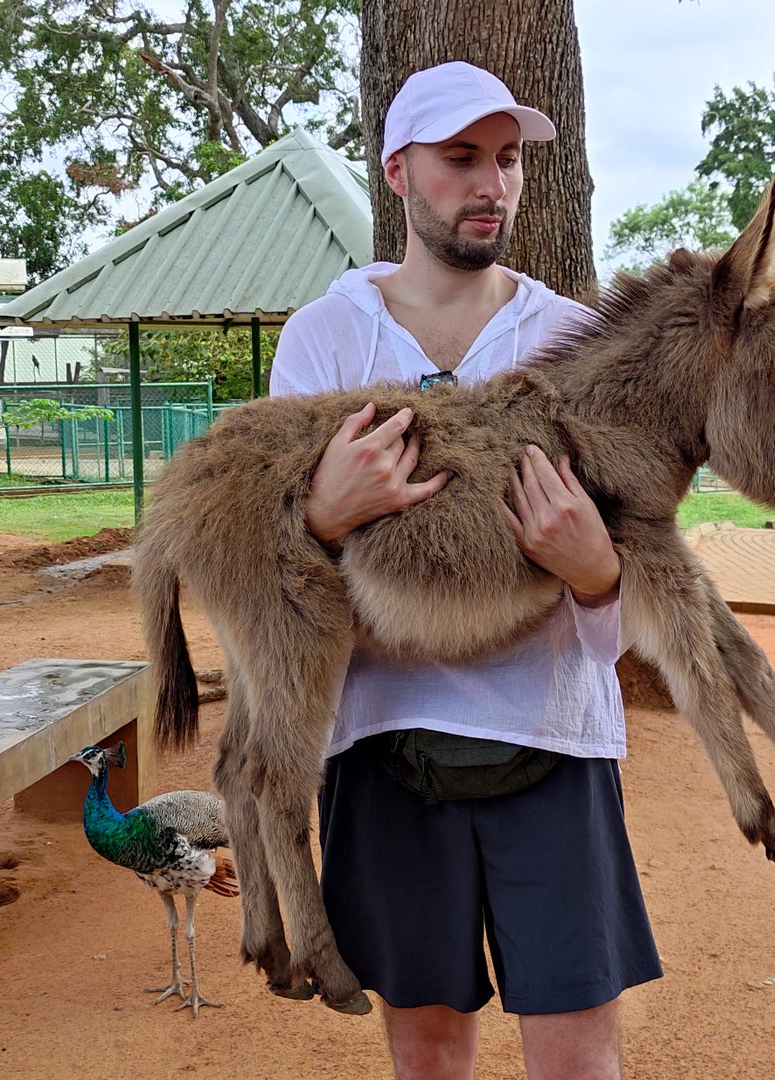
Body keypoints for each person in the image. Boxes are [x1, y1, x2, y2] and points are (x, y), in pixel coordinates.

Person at [268, 61, 661, 1080]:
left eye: (509, 159)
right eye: (461, 158)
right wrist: (321, 517)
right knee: (429, 1054)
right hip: (384, 744)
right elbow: (270, 589)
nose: (493, 185)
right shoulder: (322, 339)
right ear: (399, 172)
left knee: (578, 1057)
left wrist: (597, 572)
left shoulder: (573, 338)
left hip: (553, 740)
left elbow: (638, 573)